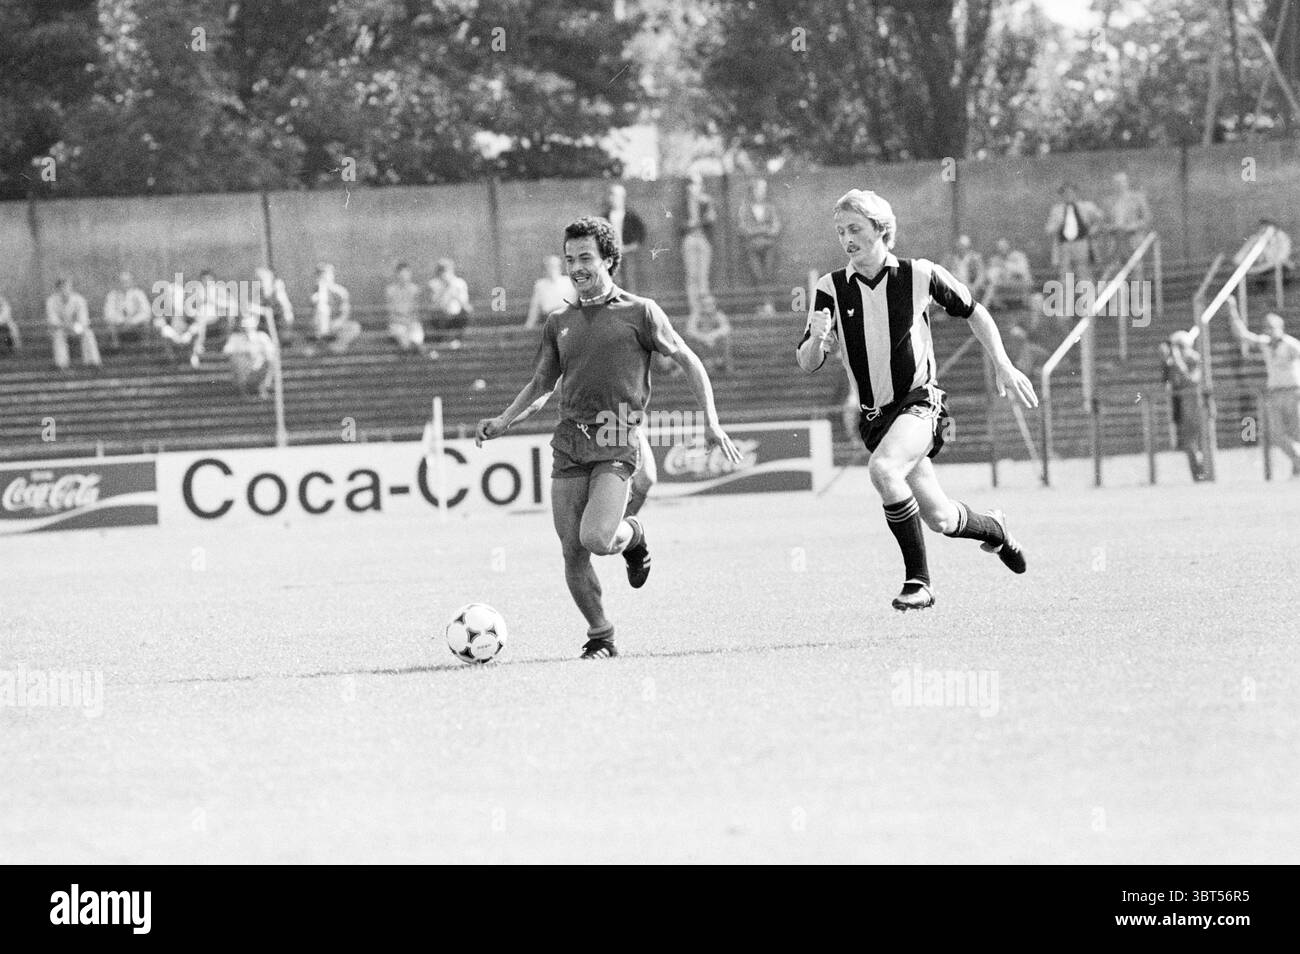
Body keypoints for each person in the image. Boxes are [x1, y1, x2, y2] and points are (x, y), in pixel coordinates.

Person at [475, 216, 740, 659]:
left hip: (618, 436)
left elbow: (691, 361)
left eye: (586, 258)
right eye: (570, 259)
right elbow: (542, 385)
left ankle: (633, 535)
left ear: (609, 260)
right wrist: (504, 421)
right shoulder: (559, 321)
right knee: (571, 551)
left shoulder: (641, 312)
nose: (577, 267)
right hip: (570, 440)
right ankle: (601, 635)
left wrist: (711, 422)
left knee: (596, 539)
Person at [797, 189, 1038, 611]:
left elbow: (975, 311)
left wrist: (1003, 363)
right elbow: (807, 362)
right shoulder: (830, 288)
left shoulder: (920, 274)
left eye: (855, 228)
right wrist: (818, 338)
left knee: (883, 469)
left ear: (881, 229)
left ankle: (919, 582)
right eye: (840, 231)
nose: (846, 238)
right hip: (876, 418)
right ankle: (995, 530)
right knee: (941, 517)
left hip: (921, 403)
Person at [1228, 302, 1300, 476]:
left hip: (1293, 392)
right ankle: (1298, 462)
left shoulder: (1291, 344)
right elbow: (1243, 335)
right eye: (1266, 327)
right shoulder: (1266, 343)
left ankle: (1297, 468)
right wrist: (1232, 310)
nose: (1268, 330)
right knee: (1277, 435)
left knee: (1297, 433)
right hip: (1275, 393)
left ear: (1280, 327)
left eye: (1272, 326)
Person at [1159, 331, 1207, 481]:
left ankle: (1206, 473)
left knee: (1203, 441)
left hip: (1198, 405)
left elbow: (1193, 380)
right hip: (1183, 407)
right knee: (1189, 444)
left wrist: (1178, 362)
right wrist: (1166, 362)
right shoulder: (1173, 363)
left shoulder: (1195, 359)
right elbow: (1166, 383)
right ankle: (1197, 476)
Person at [737, 177, 783, 312]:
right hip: (752, 247)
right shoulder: (745, 208)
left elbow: (775, 228)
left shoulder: (771, 208)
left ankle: (769, 305)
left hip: (769, 247)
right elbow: (743, 229)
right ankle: (760, 305)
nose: (761, 192)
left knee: (768, 274)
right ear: (753, 190)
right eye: (758, 189)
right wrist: (763, 229)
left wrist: (756, 230)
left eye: (763, 189)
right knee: (757, 275)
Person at [1045, 182, 1103, 288]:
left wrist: (1094, 229)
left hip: (1081, 243)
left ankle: (1088, 302)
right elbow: (1048, 229)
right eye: (1065, 193)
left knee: (1084, 273)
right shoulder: (1057, 210)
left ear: (1076, 193)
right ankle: (1067, 302)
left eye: (1071, 192)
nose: (1069, 195)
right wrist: (1057, 225)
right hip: (1064, 245)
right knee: (1065, 275)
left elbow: (1100, 218)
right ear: (1062, 195)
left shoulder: (1086, 206)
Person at [680, 171, 717, 318]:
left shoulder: (706, 202)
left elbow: (711, 220)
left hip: (703, 239)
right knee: (691, 276)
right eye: (693, 184)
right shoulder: (683, 203)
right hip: (689, 239)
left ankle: (705, 311)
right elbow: (680, 224)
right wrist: (690, 225)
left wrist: (702, 218)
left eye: (699, 184)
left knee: (703, 276)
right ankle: (694, 310)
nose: (696, 187)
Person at [46, 278, 102, 371]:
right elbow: (53, 320)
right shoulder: (51, 301)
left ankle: (92, 362)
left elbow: (84, 319)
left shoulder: (79, 299)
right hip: (60, 328)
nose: (65, 290)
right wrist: (64, 326)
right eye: (62, 288)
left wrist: (74, 326)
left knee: (88, 333)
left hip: (76, 327)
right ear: (57, 289)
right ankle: (62, 364)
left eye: (67, 287)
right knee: (58, 335)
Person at [222, 310, 278, 399]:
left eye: (249, 325)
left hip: (259, 367)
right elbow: (226, 351)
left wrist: (259, 352)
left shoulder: (262, 336)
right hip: (244, 369)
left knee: (271, 359)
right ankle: (243, 392)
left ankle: (264, 387)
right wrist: (245, 351)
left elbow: (271, 350)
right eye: (244, 325)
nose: (246, 327)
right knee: (237, 359)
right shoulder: (236, 338)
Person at [601, 184, 647, 293]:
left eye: (616, 196)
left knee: (630, 281)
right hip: (611, 255)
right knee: (613, 282)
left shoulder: (631, 216)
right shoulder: (605, 217)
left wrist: (633, 245)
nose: (613, 199)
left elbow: (641, 233)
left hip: (628, 252)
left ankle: (631, 307)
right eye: (611, 195)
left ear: (622, 198)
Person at [310, 263, 360, 354]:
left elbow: (345, 313)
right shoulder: (315, 293)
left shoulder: (340, 292)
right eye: (321, 275)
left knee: (354, 327)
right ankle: (323, 342)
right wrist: (321, 292)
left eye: (327, 274)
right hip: (320, 327)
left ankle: (334, 346)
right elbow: (314, 311)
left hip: (336, 325)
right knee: (322, 311)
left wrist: (338, 322)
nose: (325, 277)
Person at [102, 271, 153, 351]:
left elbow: (146, 312)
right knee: (110, 326)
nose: (125, 284)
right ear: (118, 283)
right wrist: (122, 321)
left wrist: (132, 321)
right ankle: (116, 351)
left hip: (136, 325)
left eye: (127, 281)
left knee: (145, 324)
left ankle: (144, 351)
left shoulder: (139, 294)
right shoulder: (112, 295)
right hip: (119, 326)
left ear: (132, 282)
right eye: (122, 282)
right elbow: (108, 314)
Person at [1234, 219, 1293, 287]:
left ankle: (1285, 290)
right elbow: (1238, 257)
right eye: (1262, 228)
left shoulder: (1282, 237)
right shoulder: (1256, 238)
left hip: (1280, 265)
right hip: (1262, 266)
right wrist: (1241, 265)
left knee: (1283, 270)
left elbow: (1281, 258)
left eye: (1266, 228)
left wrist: (1255, 270)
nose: (1262, 230)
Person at [685, 294, 734, 375]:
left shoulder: (719, 315)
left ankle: (720, 363)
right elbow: (690, 330)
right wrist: (704, 337)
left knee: (725, 339)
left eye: (710, 304)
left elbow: (726, 328)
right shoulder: (696, 316)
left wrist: (712, 336)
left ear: (714, 305)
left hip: (715, 344)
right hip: (701, 343)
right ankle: (706, 364)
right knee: (691, 340)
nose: (707, 307)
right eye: (704, 305)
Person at [428, 258, 470, 348]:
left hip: (456, 315)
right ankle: (440, 342)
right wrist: (444, 289)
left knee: (465, 312)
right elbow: (434, 304)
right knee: (437, 315)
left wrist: (455, 293)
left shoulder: (460, 283)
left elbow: (465, 304)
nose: (445, 273)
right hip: (441, 315)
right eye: (442, 270)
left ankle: (457, 340)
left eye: (447, 270)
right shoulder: (433, 284)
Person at [385, 262, 426, 355]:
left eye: (406, 274)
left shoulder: (415, 289)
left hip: (412, 322)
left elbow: (416, 311)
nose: (403, 277)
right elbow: (391, 313)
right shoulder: (390, 290)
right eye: (401, 274)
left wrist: (410, 322)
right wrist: (403, 322)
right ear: (396, 275)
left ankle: (416, 353)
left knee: (416, 339)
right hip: (397, 323)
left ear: (410, 274)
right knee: (404, 340)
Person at [525, 255, 575, 330]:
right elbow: (535, 307)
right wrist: (529, 325)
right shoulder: (540, 285)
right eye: (549, 267)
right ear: (545, 269)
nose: (552, 269)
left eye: (555, 267)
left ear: (560, 267)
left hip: (568, 317)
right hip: (550, 318)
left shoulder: (569, 282)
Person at [984, 238, 1033, 310]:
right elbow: (990, 275)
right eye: (1000, 248)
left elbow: (1022, 271)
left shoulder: (1018, 256)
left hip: (1021, 284)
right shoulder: (997, 259)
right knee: (992, 286)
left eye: (1004, 247)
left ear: (1009, 246)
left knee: (993, 287)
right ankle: (987, 308)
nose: (1002, 249)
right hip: (1005, 285)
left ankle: (985, 309)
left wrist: (1004, 265)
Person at [254, 266, 295, 346]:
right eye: (258, 280)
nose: (259, 283)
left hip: (279, 320)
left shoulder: (277, 289)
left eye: (261, 280)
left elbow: (284, 307)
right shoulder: (260, 291)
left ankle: (279, 341)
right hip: (267, 320)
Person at [946, 234, 987, 300]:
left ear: (967, 247)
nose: (960, 248)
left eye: (962, 246)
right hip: (956, 286)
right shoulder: (951, 259)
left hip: (972, 286)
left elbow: (981, 274)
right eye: (959, 246)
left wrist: (974, 287)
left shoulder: (975, 258)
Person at [0, 290, 20, 356]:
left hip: (5, 325)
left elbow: (5, 316)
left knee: (9, 331)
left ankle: (10, 349)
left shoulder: (4, 304)